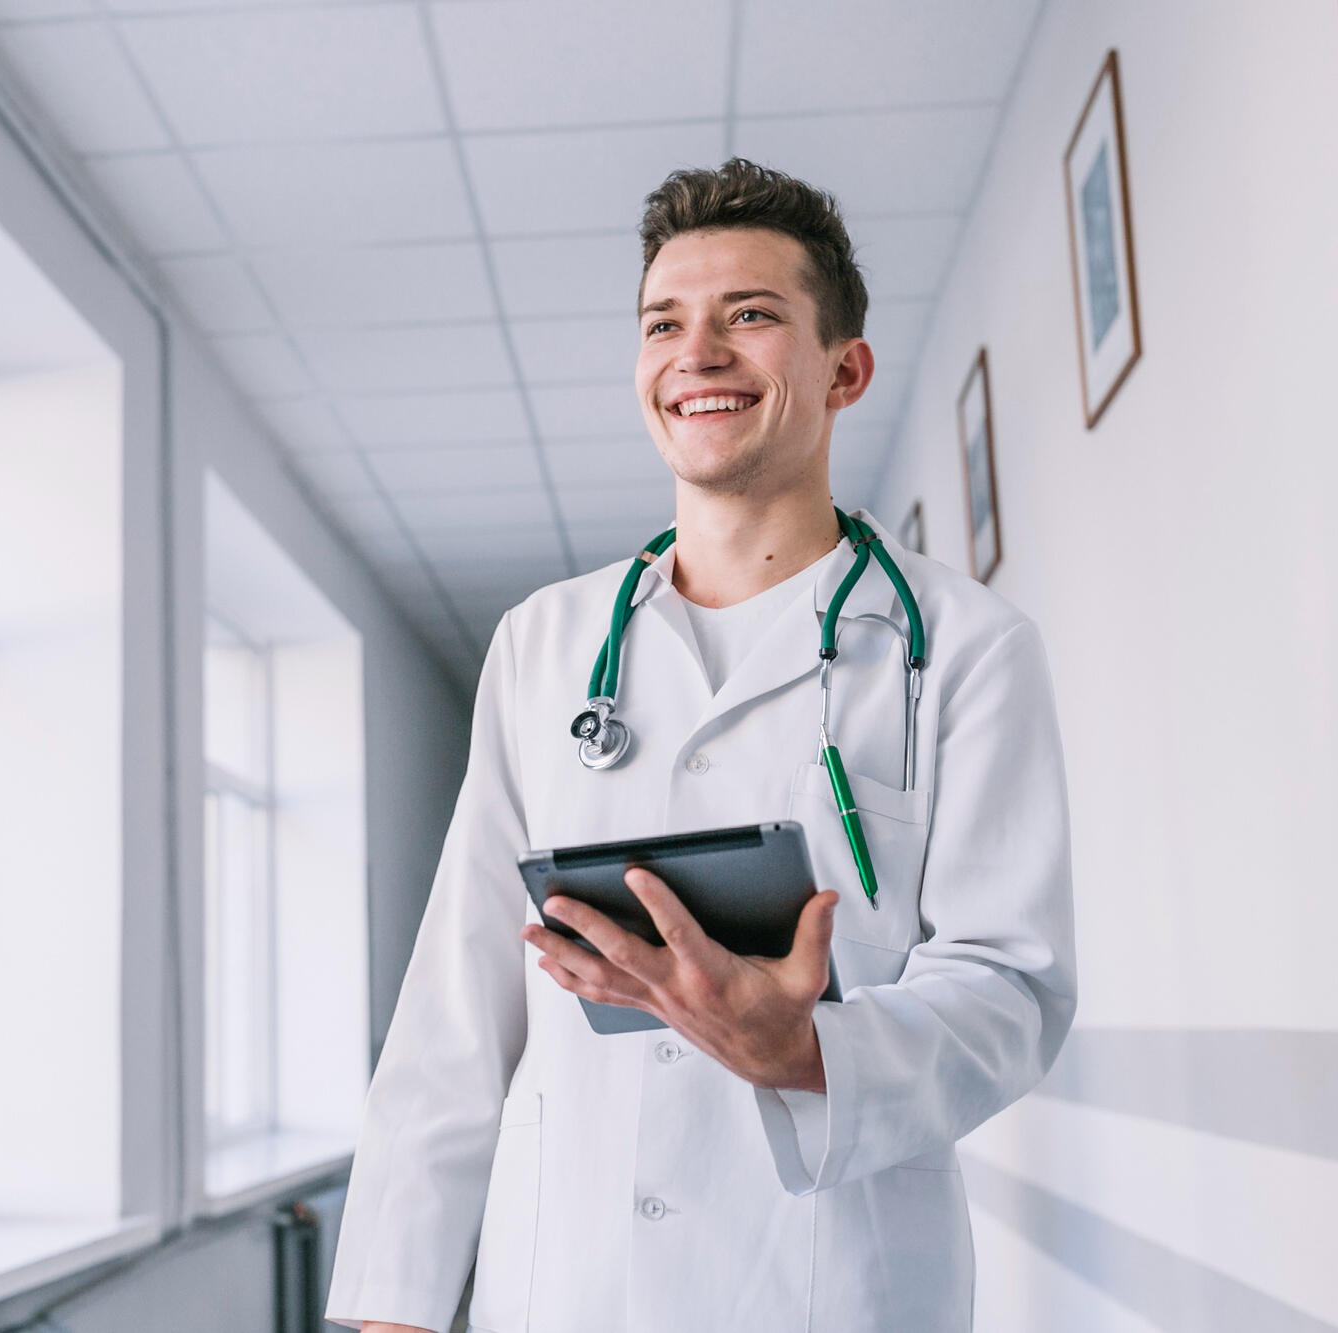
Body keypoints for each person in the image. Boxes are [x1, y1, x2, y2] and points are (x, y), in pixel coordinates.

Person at [325, 158, 1076, 1333]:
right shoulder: (544, 644)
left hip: (831, 1286)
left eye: (751, 315)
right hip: (568, 1287)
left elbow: (1011, 985)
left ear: (846, 369)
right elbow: (457, 1008)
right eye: (663, 322)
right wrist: (395, 1309)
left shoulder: (964, 648)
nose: (698, 352)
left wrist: (811, 1048)